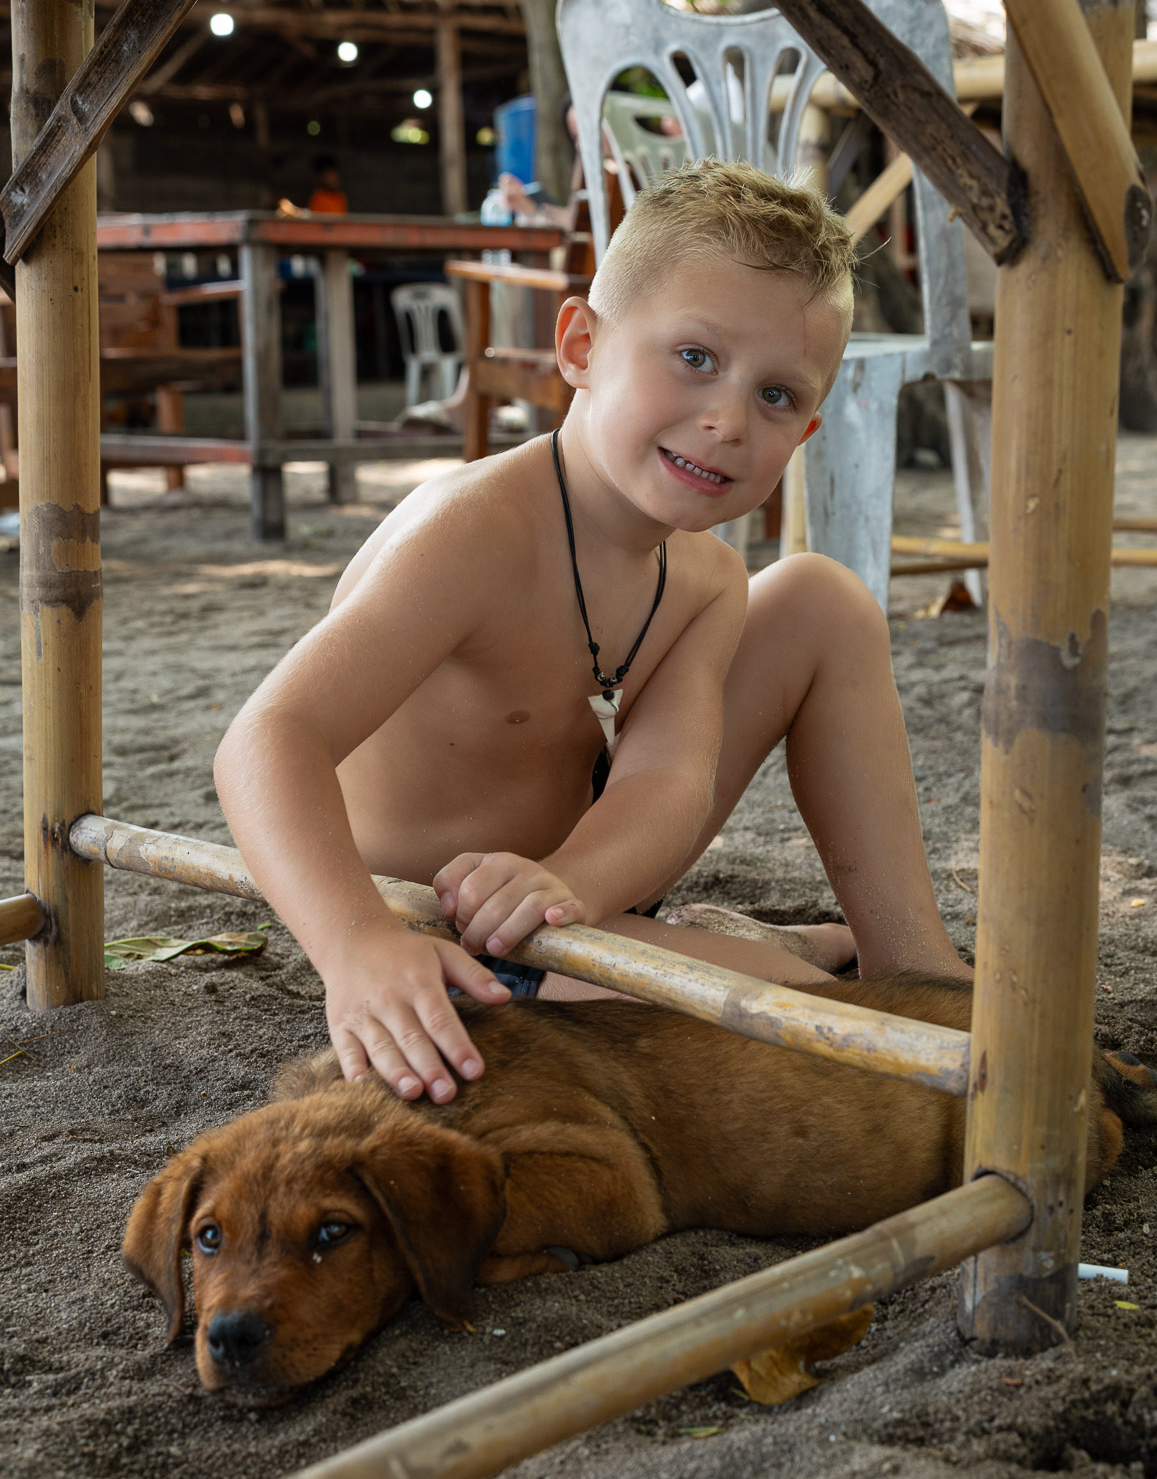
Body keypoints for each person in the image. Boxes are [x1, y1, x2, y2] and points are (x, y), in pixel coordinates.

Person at [215, 160, 970, 1110]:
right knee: (811, 1020)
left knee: (822, 596)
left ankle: (916, 961)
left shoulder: (706, 577)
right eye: (694, 358)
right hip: (450, 934)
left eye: (777, 396)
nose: (727, 420)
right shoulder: (474, 533)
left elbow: (664, 784)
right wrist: (355, 944)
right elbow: (267, 738)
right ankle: (767, 957)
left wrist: (571, 881)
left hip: (577, 885)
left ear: (808, 430)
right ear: (580, 345)